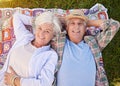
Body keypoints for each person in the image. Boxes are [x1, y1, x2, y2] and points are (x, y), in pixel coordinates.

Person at [56, 10, 120, 86]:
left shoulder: (93, 43)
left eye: (80, 24)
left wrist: (89, 23)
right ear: (67, 28)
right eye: (72, 23)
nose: (76, 27)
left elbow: (114, 25)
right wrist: (64, 21)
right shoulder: (59, 42)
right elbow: (45, 24)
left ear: (85, 28)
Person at [0, 11, 62, 86]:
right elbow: (17, 17)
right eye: (40, 28)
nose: (41, 34)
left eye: (47, 31)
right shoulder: (25, 37)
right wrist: (36, 20)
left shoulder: (50, 55)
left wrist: (15, 80)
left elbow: (45, 83)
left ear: (53, 35)